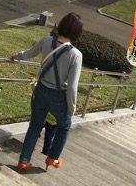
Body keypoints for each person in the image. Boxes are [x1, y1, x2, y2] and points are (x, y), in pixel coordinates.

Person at [11, 12, 83, 172]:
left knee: (35, 126)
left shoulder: (46, 41)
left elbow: (29, 53)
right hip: (59, 97)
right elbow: (72, 87)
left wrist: (16, 57)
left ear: (60, 25)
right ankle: (53, 158)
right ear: (77, 33)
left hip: (41, 90)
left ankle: (24, 161)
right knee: (64, 126)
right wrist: (72, 108)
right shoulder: (76, 55)